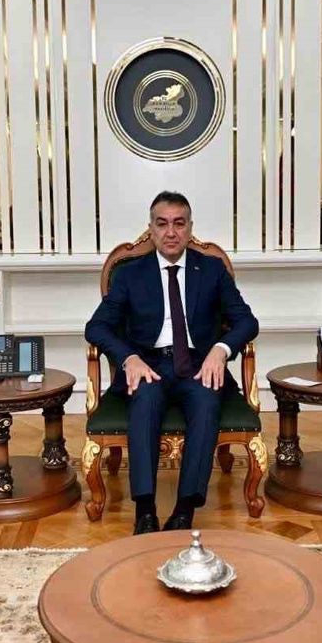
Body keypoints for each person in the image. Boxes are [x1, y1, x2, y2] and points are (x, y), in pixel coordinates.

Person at [85, 192, 259, 535]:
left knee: (207, 403)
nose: (171, 232)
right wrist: (129, 358)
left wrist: (221, 349)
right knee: (145, 400)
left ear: (189, 228)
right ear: (151, 229)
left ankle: (184, 510)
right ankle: (145, 511)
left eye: (179, 224)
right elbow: (96, 327)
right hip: (148, 365)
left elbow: (246, 321)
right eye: (162, 224)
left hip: (199, 365)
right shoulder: (130, 274)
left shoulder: (211, 270)